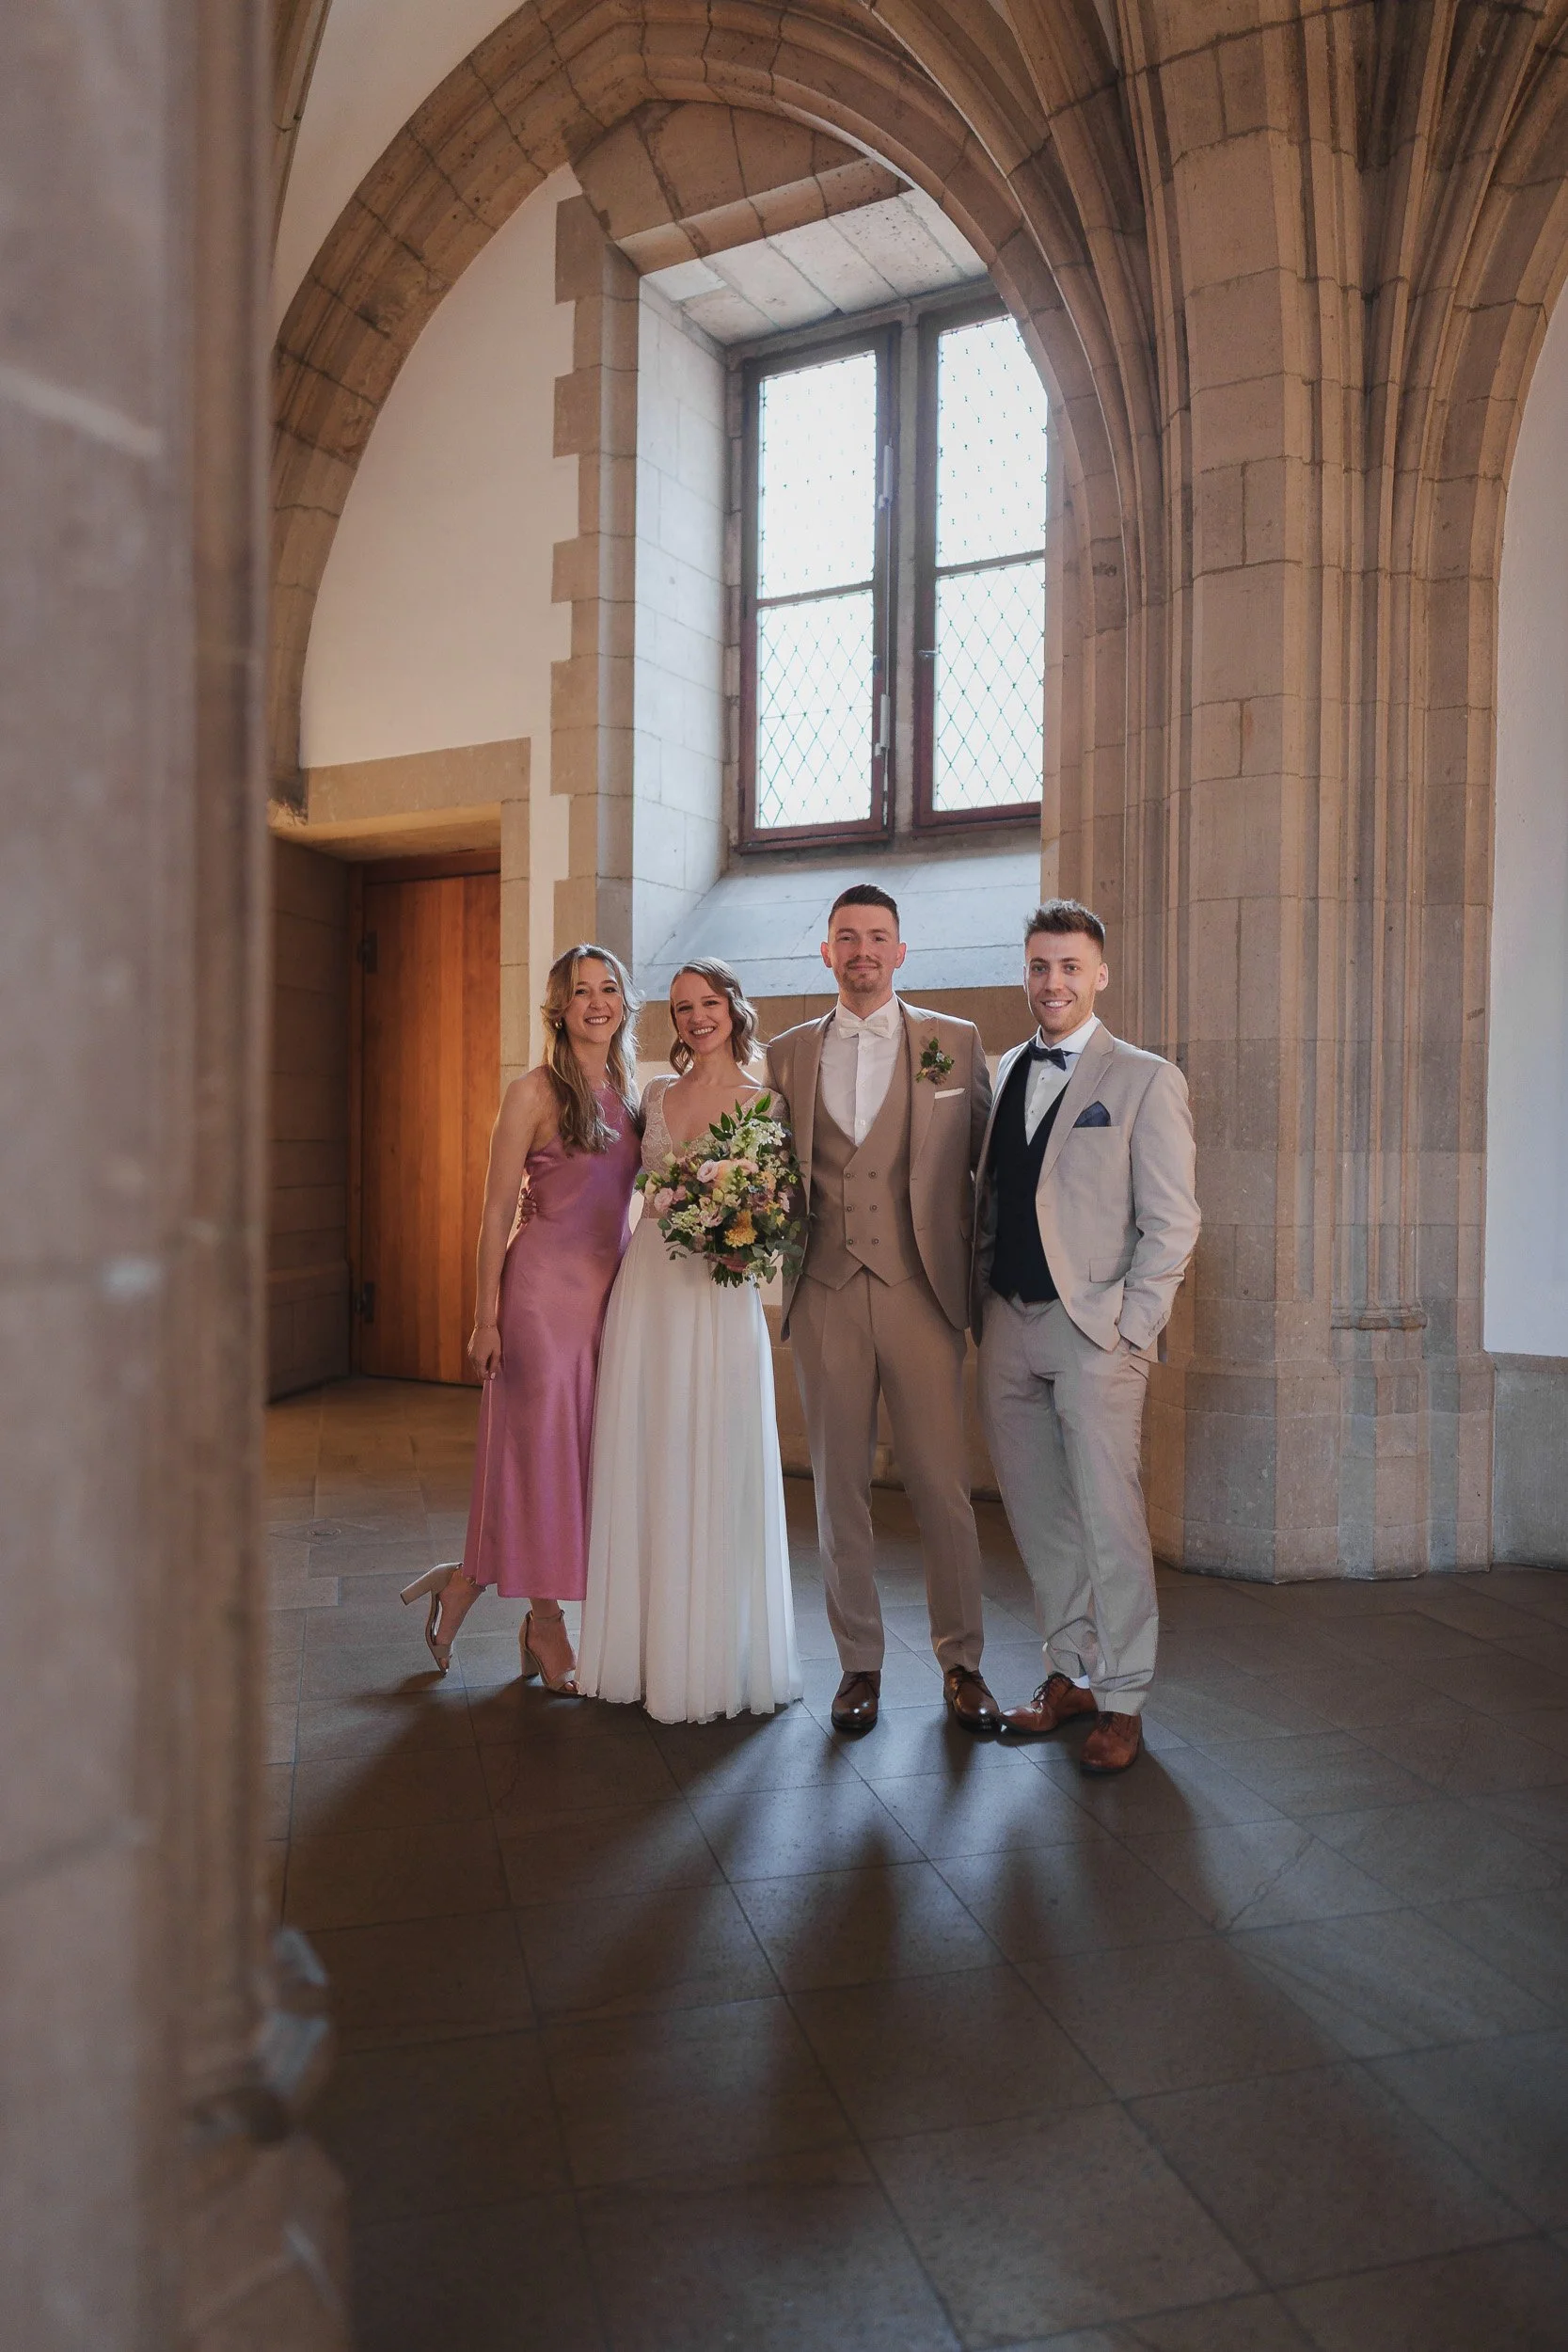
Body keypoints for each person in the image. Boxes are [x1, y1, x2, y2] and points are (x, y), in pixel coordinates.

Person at [974, 899, 1200, 1774]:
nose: (1052, 981)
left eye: (1069, 966)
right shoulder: (1005, 1069)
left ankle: (1125, 1697)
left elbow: (1173, 1224)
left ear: (1099, 975)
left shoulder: (1145, 1079)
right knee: (1039, 1517)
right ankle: (1068, 1674)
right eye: (1038, 966)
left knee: (1109, 1522)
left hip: (1093, 1332)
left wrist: (1130, 1330)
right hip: (1006, 1322)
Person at [765, 885, 996, 1738]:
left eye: (877, 937)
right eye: (846, 937)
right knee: (839, 1492)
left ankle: (962, 1660)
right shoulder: (786, 1054)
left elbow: (988, 1176)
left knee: (941, 1486)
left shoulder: (954, 1044)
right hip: (822, 1292)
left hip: (922, 1293)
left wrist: (982, 1282)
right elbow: (767, 1170)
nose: (861, 950)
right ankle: (858, 1664)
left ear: (901, 952)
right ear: (825, 952)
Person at [399, 946, 641, 1692]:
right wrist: (485, 1318)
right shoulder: (534, 1092)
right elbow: (496, 1208)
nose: (596, 1001)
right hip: (539, 1299)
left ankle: (465, 1581)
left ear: (623, 1003)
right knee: (540, 1460)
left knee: (582, 1461)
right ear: (558, 1008)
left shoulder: (634, 1093)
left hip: (612, 1297)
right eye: (580, 991)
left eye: (608, 989)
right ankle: (545, 1623)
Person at [577, 960, 802, 1723]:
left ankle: (709, 1653)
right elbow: (617, 1185)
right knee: (650, 1453)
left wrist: (745, 1230)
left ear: (734, 1008)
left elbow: (780, 1208)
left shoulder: (766, 1100)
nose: (696, 1017)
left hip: (719, 1297)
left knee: (715, 1452)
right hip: (649, 1292)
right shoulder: (655, 1097)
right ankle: (641, 1650)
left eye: (707, 1003)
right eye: (681, 1008)